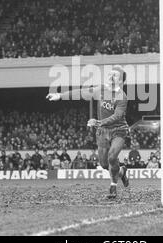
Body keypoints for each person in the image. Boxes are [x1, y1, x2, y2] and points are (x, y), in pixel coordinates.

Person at [47, 65, 129, 198]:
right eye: (110, 73)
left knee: (112, 156)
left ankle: (113, 187)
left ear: (120, 81)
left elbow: (117, 116)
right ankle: (121, 172)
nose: (110, 76)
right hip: (102, 131)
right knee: (104, 164)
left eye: (114, 75)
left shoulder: (122, 97)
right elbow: (82, 92)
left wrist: (98, 122)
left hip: (118, 130)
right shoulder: (100, 89)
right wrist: (60, 95)